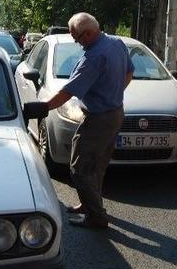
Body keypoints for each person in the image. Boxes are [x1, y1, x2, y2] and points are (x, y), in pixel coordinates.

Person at [45, 13, 133, 229]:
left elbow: (68, 92)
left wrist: (42, 107)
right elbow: (130, 71)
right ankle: (89, 204)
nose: (76, 42)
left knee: (80, 168)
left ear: (89, 33)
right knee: (98, 165)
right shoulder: (116, 42)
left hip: (99, 118)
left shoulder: (94, 56)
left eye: (77, 37)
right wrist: (113, 92)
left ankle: (97, 216)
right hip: (115, 113)